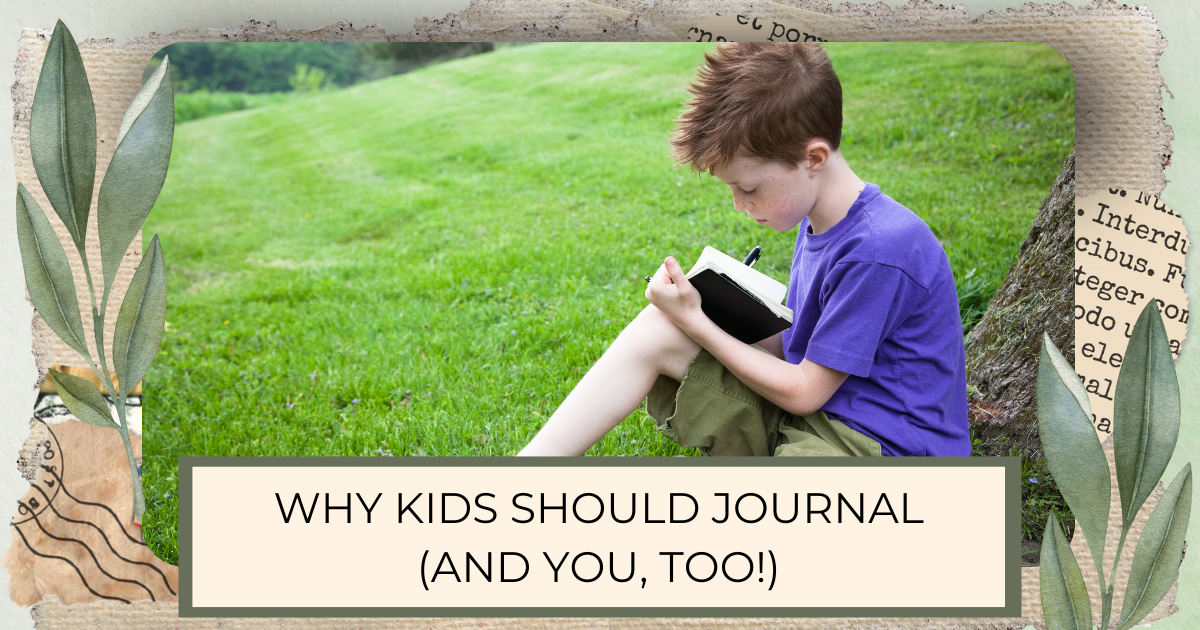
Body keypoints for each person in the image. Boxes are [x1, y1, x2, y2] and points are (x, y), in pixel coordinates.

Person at [518, 42, 970, 458]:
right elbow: (796, 352)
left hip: (882, 448)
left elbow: (805, 390)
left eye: (749, 187)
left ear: (813, 159)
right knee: (659, 327)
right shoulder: (819, 219)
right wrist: (711, 307)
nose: (740, 204)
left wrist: (696, 322)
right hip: (816, 421)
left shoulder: (879, 248)